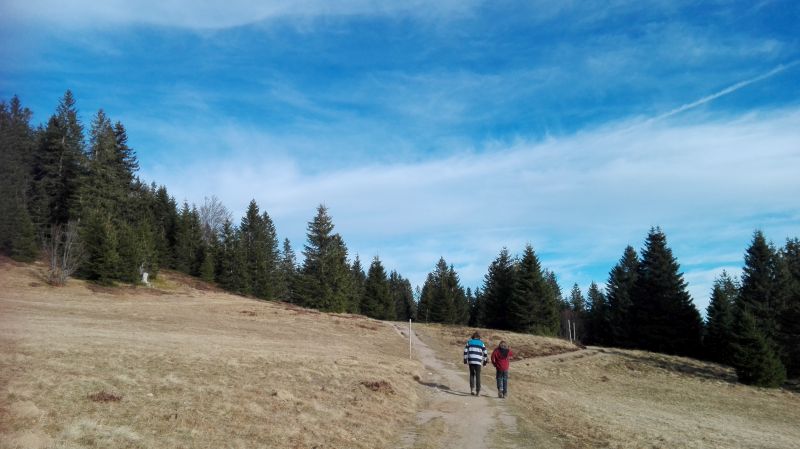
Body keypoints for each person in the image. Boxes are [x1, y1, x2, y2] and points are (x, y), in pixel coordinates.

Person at [463, 331, 488, 396]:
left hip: (471, 360)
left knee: (472, 374)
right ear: (479, 337)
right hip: (478, 361)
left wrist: (465, 360)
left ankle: (472, 389)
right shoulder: (481, 343)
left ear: (473, 336)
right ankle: (478, 391)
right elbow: (485, 353)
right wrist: (484, 362)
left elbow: (465, 351)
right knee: (478, 376)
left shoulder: (469, 342)